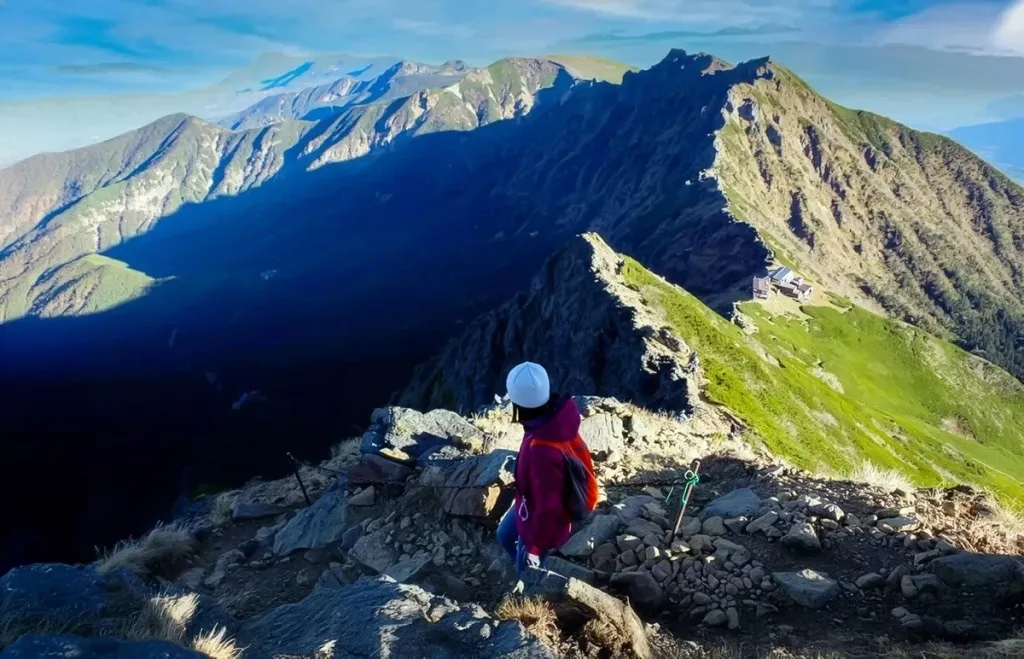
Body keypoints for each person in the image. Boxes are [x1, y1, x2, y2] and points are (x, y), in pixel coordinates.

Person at [497, 362, 596, 574]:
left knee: (526, 568)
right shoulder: (550, 420)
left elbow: (549, 507)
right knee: (504, 536)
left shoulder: (542, 449)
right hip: (528, 504)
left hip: (541, 521)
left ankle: (529, 586)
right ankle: (523, 567)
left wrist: (534, 547)